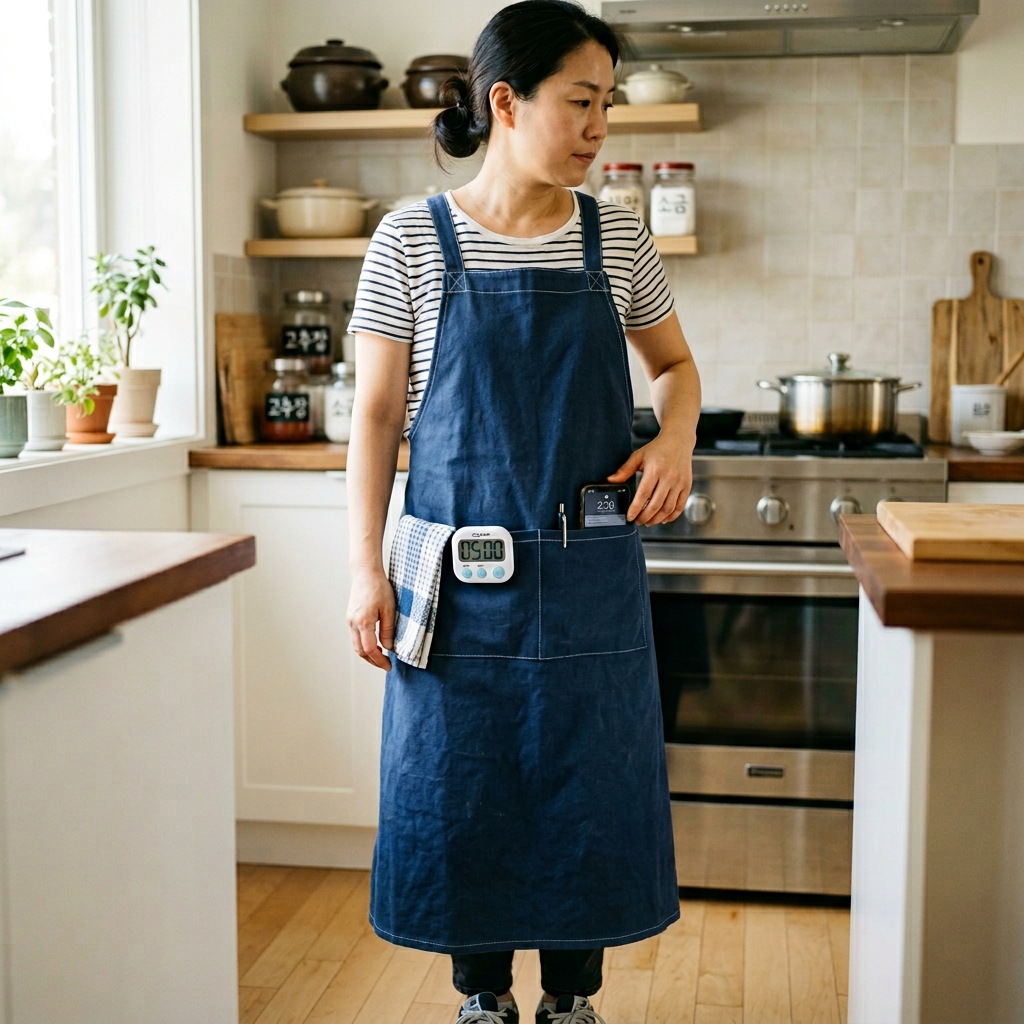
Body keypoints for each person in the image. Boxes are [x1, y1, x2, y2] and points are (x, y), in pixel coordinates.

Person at [346, 2, 700, 1021]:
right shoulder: (411, 240)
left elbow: (674, 368)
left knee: (586, 788)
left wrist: (674, 434)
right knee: (464, 791)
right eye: (580, 102)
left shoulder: (615, 239)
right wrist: (362, 566)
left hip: (586, 582)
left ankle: (572, 1001)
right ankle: (482, 999)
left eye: (607, 105)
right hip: (458, 590)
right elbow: (374, 417)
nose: (599, 128)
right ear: (506, 102)